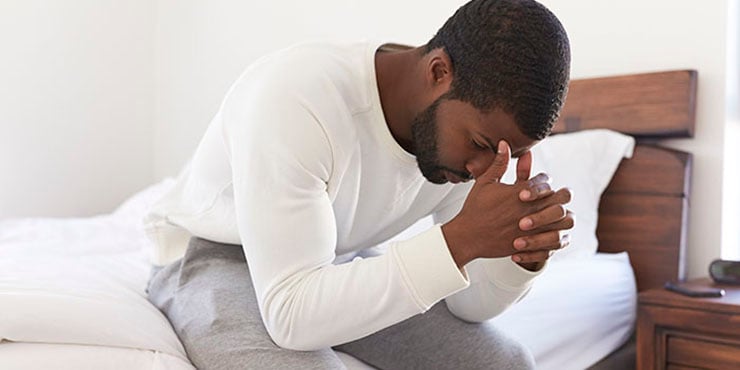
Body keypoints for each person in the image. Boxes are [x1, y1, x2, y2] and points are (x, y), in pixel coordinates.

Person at [145, 0, 573, 368]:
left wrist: (517, 260)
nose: (484, 169)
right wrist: (459, 241)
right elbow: (292, 313)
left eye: (506, 155)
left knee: (508, 364)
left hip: (332, 259)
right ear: (439, 71)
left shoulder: (467, 148)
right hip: (213, 255)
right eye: (479, 145)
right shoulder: (297, 98)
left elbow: (467, 305)